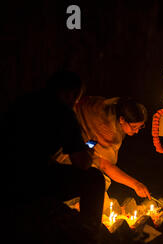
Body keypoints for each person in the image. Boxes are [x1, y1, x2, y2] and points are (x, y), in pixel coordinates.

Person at [7, 71, 105, 230]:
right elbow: (82, 163)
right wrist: (88, 153)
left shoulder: (23, 102)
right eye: (76, 99)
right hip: (32, 180)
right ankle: (89, 233)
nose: (75, 104)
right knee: (94, 179)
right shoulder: (63, 113)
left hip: (10, 174)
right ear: (71, 94)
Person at [55, 96, 151, 201]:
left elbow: (92, 142)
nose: (137, 131)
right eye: (134, 127)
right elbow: (105, 165)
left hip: (79, 147)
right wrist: (136, 185)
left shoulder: (110, 108)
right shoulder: (108, 130)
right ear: (122, 119)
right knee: (96, 182)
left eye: (141, 126)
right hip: (62, 154)